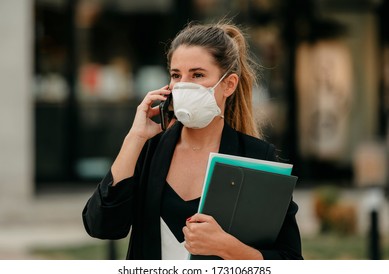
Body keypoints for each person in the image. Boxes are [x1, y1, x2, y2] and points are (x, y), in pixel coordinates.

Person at [82, 20, 303, 260]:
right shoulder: (148, 151)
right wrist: (134, 138)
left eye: (197, 75)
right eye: (176, 75)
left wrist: (227, 247)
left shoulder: (256, 157)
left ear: (228, 84)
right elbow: (102, 226)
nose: (184, 85)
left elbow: (290, 260)